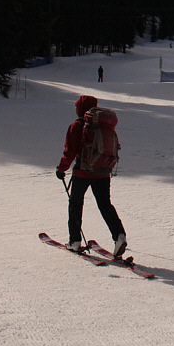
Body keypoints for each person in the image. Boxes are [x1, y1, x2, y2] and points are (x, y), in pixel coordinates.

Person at [55, 95, 126, 256]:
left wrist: (61, 169)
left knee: (75, 204)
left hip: (83, 171)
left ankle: (75, 241)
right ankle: (119, 235)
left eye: (76, 107)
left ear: (80, 109)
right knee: (105, 205)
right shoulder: (104, 126)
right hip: (103, 172)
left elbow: (70, 152)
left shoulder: (77, 126)